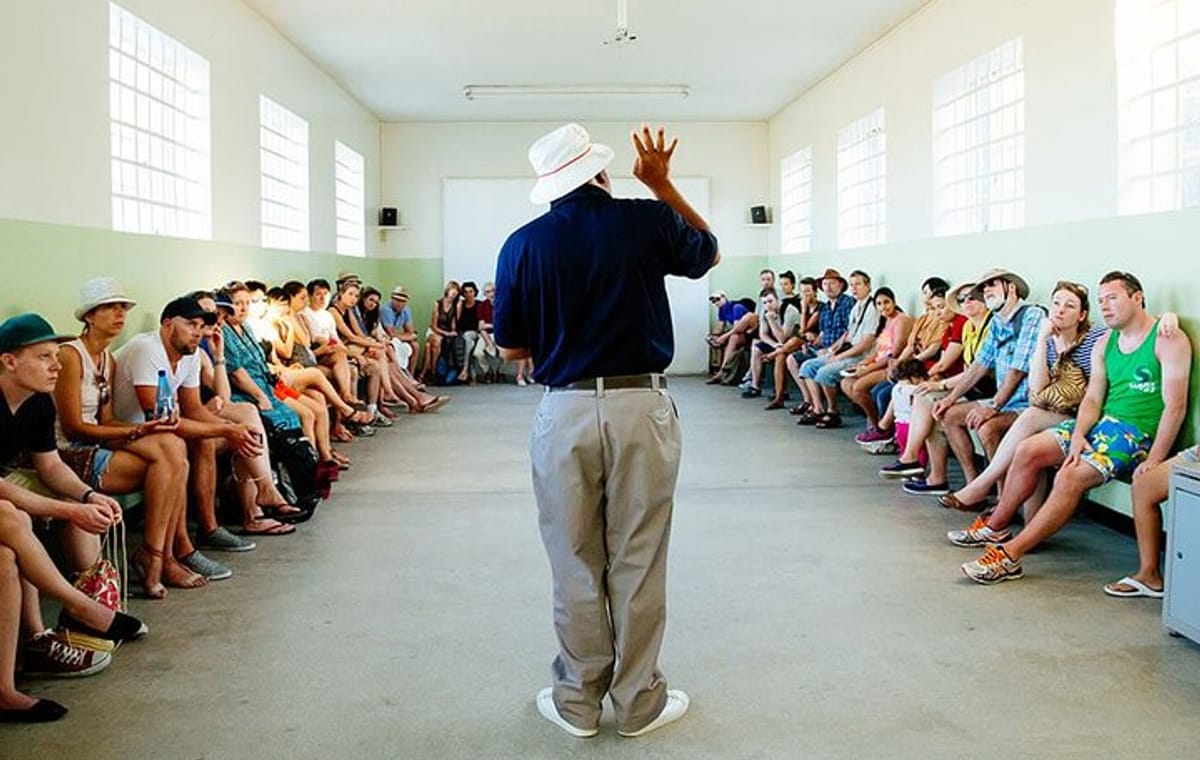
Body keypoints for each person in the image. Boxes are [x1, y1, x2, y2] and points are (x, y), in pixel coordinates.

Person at [495, 123, 719, 738]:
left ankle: (577, 703)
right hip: (640, 404)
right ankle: (639, 703)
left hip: (563, 410)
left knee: (573, 558)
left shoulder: (521, 244)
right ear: (600, 172)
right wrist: (663, 185)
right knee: (638, 555)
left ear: (549, 185)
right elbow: (708, 252)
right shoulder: (646, 218)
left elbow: (512, 347)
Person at [961, 272, 1192, 585]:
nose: (1105, 306)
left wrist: (1155, 458)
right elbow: (1093, 398)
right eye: (1101, 300)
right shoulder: (1105, 343)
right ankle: (996, 525)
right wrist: (1080, 434)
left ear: (1137, 298)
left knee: (1069, 475)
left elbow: (1175, 406)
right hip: (1100, 424)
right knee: (1028, 449)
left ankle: (1010, 555)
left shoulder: (1167, 339)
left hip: (1135, 433)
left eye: (1113, 298)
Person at [54, 278, 192, 597]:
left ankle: (157, 554)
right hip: (68, 451)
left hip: (95, 443)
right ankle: (157, 558)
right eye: (109, 307)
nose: (120, 314)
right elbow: (74, 427)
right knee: (172, 464)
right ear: (89, 316)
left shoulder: (108, 359)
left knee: (174, 449)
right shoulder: (69, 356)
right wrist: (136, 430)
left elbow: (106, 420)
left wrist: (150, 427)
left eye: (123, 308)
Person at [113, 297, 263, 581]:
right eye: (191, 324)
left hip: (150, 434)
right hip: (120, 432)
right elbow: (158, 419)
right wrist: (225, 430)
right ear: (168, 324)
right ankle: (179, 549)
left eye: (201, 326)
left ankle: (208, 529)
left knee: (207, 437)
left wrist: (232, 428)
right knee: (178, 446)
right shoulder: (147, 349)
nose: (198, 332)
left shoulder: (190, 353)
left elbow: (193, 409)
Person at [898, 268, 1042, 495]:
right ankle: (974, 487)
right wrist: (951, 399)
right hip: (1004, 402)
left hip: (1027, 404)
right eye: (983, 288)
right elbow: (978, 366)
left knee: (987, 428)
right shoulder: (998, 321)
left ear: (1011, 287)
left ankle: (1001, 497)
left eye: (992, 285)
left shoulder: (1031, 315)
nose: (986, 291)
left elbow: (1018, 370)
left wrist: (992, 406)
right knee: (947, 414)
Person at [796, 269, 878, 429]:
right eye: (852, 285)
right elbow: (848, 334)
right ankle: (818, 409)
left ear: (868, 286)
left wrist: (839, 357)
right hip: (847, 350)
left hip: (860, 356)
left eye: (858, 284)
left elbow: (865, 343)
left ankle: (832, 411)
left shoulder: (872, 308)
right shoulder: (857, 307)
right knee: (807, 366)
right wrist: (832, 350)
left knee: (824, 372)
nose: (854, 288)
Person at [788, 268, 854, 419]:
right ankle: (814, 406)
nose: (828, 287)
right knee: (794, 360)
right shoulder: (825, 307)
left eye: (832, 283)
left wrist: (831, 349)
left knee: (812, 366)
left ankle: (827, 410)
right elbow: (823, 332)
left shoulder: (848, 303)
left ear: (840, 285)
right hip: (823, 348)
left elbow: (850, 331)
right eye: (825, 284)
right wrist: (811, 343)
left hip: (840, 350)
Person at [743, 289, 799, 399]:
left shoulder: (790, 310)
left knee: (780, 354)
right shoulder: (765, 311)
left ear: (777, 299)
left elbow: (783, 338)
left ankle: (781, 391)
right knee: (756, 348)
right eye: (764, 303)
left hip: (792, 343)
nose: (768, 305)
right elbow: (763, 334)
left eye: (770, 301)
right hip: (777, 343)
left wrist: (771, 321)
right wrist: (774, 345)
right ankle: (755, 386)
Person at [381, 285, 419, 373]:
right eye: (397, 300)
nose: (400, 303)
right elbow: (391, 334)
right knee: (395, 346)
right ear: (392, 299)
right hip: (384, 338)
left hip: (396, 337)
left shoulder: (406, 310)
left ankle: (411, 375)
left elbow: (410, 331)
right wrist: (410, 336)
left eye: (403, 301)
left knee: (415, 346)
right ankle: (401, 374)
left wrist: (410, 336)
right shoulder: (386, 310)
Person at [473, 282, 504, 382]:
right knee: (477, 353)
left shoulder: (503, 304)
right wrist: (488, 341)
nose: (491, 294)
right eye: (488, 292)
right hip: (485, 334)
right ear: (485, 294)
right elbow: (481, 326)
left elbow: (506, 325)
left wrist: (490, 325)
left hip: (502, 334)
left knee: (507, 353)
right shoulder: (482, 306)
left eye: (493, 291)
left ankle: (499, 371)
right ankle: (487, 371)